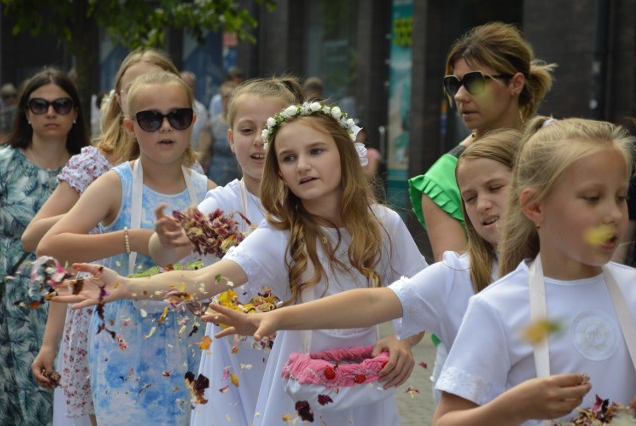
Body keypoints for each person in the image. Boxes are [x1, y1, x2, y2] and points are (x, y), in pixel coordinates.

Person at [54, 101, 429, 425]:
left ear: (345, 153)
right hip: (299, 391)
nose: (303, 166)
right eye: (288, 157)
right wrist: (128, 286)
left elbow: (422, 296)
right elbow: (205, 279)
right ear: (279, 172)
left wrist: (401, 340)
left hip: (365, 387)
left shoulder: (384, 224)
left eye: (316, 151)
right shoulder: (281, 234)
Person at [205, 129, 529, 409]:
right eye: (469, 197)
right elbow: (374, 302)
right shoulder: (456, 273)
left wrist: (402, 342)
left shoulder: (384, 224)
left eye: (495, 188)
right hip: (308, 388)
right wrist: (272, 318)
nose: (482, 204)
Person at [431, 117, 636, 425]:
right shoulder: (498, 307)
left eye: (620, 197)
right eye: (593, 198)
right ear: (536, 207)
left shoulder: (632, 289)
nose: (613, 214)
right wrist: (515, 407)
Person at [25, 48, 190, 426]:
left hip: (170, 323)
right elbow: (40, 239)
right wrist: (114, 227)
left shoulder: (187, 169)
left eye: (174, 112)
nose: (162, 122)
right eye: (135, 92)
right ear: (122, 104)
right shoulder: (100, 164)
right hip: (100, 312)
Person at [150, 75, 304, 426]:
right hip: (233, 354)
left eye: (270, 130)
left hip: (298, 346)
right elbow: (165, 256)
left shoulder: (312, 201)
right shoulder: (224, 202)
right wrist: (166, 239)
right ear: (231, 139)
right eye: (247, 130)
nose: (258, 141)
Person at [408, 21, 556, 262]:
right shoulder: (443, 178)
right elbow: (457, 282)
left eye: (474, 82)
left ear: (516, 83)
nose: (459, 96)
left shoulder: (558, 146)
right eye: (454, 84)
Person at [0, 67, 89, 426]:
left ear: (75, 113)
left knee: (63, 399)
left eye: (62, 105)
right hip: (8, 304)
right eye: (40, 105)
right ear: (26, 113)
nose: (51, 113)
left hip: (70, 301)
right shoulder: (2, 164)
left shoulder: (90, 170)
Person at [197, 80, 240, 184]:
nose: (229, 100)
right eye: (226, 97)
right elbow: (202, 154)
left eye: (232, 97)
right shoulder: (212, 125)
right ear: (220, 100)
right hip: (216, 175)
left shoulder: (245, 125)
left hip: (239, 175)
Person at [180, 71, 209, 152]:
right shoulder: (169, 107)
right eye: (183, 85)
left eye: (190, 86)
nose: (187, 89)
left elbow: (203, 136)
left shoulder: (201, 109)